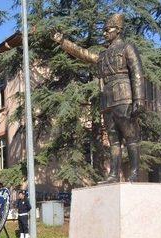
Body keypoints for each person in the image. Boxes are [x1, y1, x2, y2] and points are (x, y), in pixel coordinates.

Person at [52, 13, 144, 182]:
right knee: (113, 139)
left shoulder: (127, 48)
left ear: (118, 30)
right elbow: (83, 54)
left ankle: (134, 173)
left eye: (107, 30)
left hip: (124, 96)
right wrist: (62, 42)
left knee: (131, 137)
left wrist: (139, 99)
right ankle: (113, 174)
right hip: (107, 99)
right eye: (104, 30)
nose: (104, 33)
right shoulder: (103, 54)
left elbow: (137, 73)